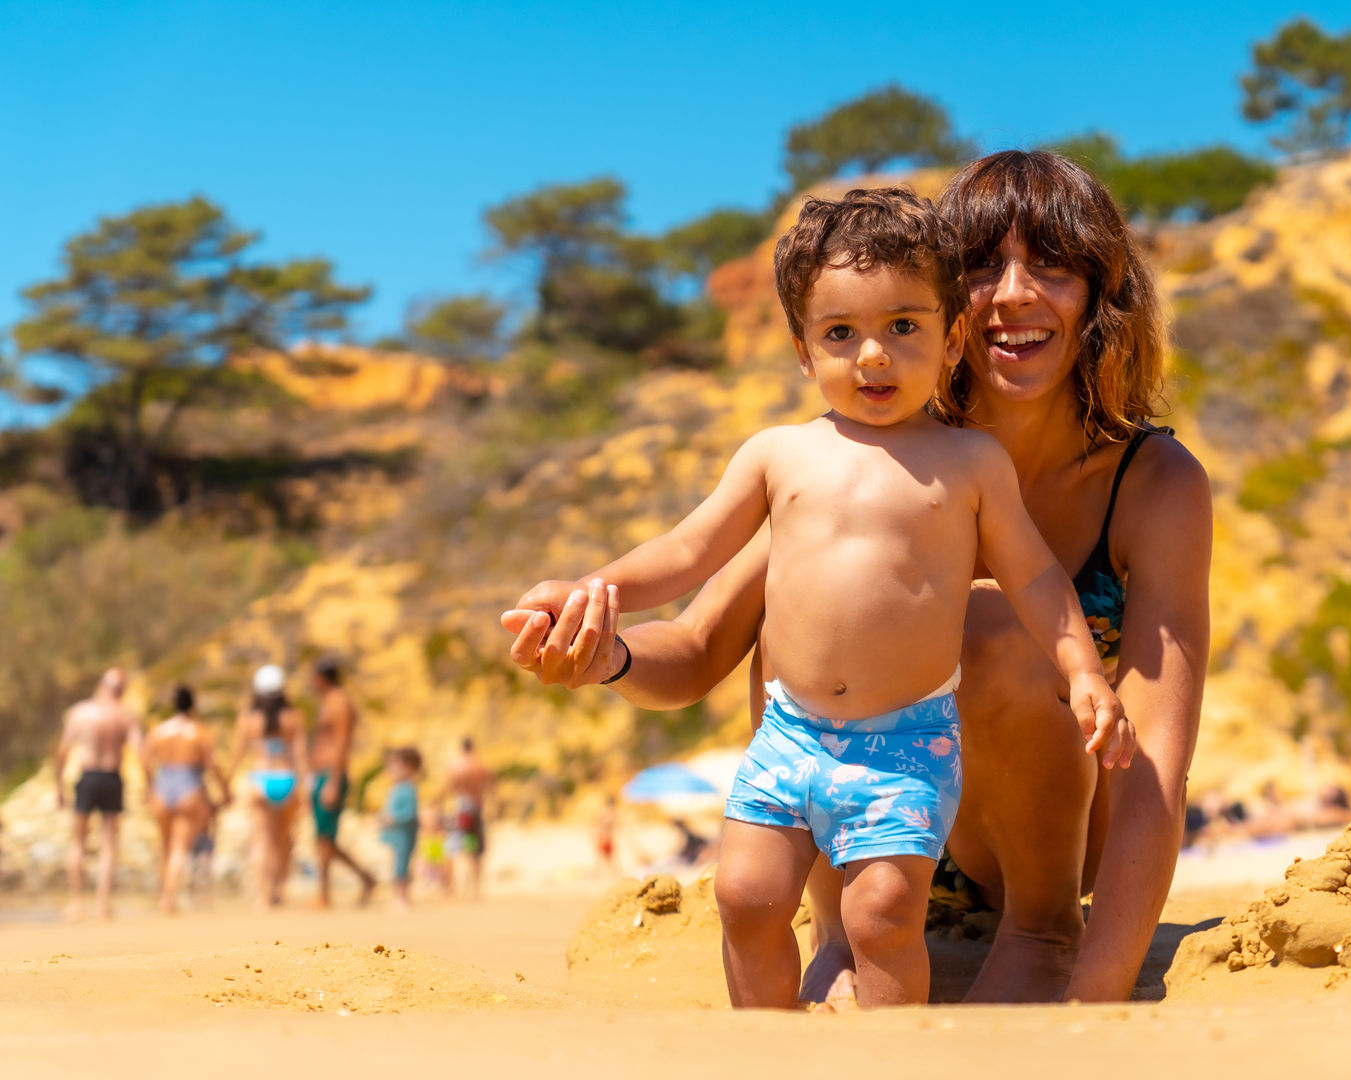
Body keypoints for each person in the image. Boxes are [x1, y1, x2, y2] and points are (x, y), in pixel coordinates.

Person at [506, 155, 1208, 1005]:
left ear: (1102, 294)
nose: (1016, 294)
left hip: (1039, 843)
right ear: (950, 297)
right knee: (801, 618)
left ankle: (1039, 934)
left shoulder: (1150, 481)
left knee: (993, 622)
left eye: (1053, 266)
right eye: (984, 266)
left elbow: (1154, 772)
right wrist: (603, 653)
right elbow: (695, 647)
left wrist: (1095, 997)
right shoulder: (865, 462)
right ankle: (838, 938)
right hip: (861, 841)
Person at [54, 668, 142, 920]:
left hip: (88, 777)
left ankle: (77, 904)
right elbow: (139, 750)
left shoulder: (81, 712)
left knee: (79, 841)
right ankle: (103, 905)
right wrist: (150, 780)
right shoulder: (125, 716)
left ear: (101, 685)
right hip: (112, 778)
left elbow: (63, 750)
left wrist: (58, 784)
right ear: (122, 690)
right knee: (108, 844)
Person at [142, 684, 230, 914]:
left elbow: (144, 761)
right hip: (189, 784)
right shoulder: (199, 732)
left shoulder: (159, 731)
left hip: (163, 783)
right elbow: (213, 766)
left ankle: (164, 895)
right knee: (180, 847)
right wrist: (225, 790)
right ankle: (169, 899)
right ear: (193, 705)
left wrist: (150, 786)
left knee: (165, 846)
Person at [228, 665, 307, 908]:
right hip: (287, 780)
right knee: (283, 839)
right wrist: (306, 786)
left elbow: (237, 755)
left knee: (260, 840)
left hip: (260, 780)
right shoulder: (293, 717)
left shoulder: (248, 718)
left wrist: (226, 783)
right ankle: (279, 890)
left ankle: (261, 897)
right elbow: (300, 755)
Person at [308, 656, 375, 907]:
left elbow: (342, 743)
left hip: (331, 774)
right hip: (322, 774)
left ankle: (324, 893)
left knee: (324, 837)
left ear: (322, 677)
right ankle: (365, 878)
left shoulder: (339, 703)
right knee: (323, 838)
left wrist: (333, 781)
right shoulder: (328, 702)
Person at [446, 737, 493, 899]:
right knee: (475, 848)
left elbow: (450, 786)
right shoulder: (480, 765)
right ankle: (476, 888)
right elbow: (491, 786)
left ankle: (451, 887)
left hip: (462, 808)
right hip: (478, 807)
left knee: (454, 846)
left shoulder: (458, 766)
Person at [380, 746, 423, 911]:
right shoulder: (396, 788)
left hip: (404, 836)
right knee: (396, 865)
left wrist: (393, 818)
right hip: (395, 835)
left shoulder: (408, 788)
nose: (391, 770)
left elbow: (410, 813)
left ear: (409, 768)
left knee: (401, 866)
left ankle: (402, 897)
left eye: (395, 766)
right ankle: (399, 895)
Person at [594, 795, 619, 878]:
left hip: (602, 837)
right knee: (608, 857)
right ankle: (612, 873)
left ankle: (597, 874)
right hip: (606, 838)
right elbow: (614, 824)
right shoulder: (611, 813)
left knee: (601, 856)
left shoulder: (602, 811)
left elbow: (597, 824)